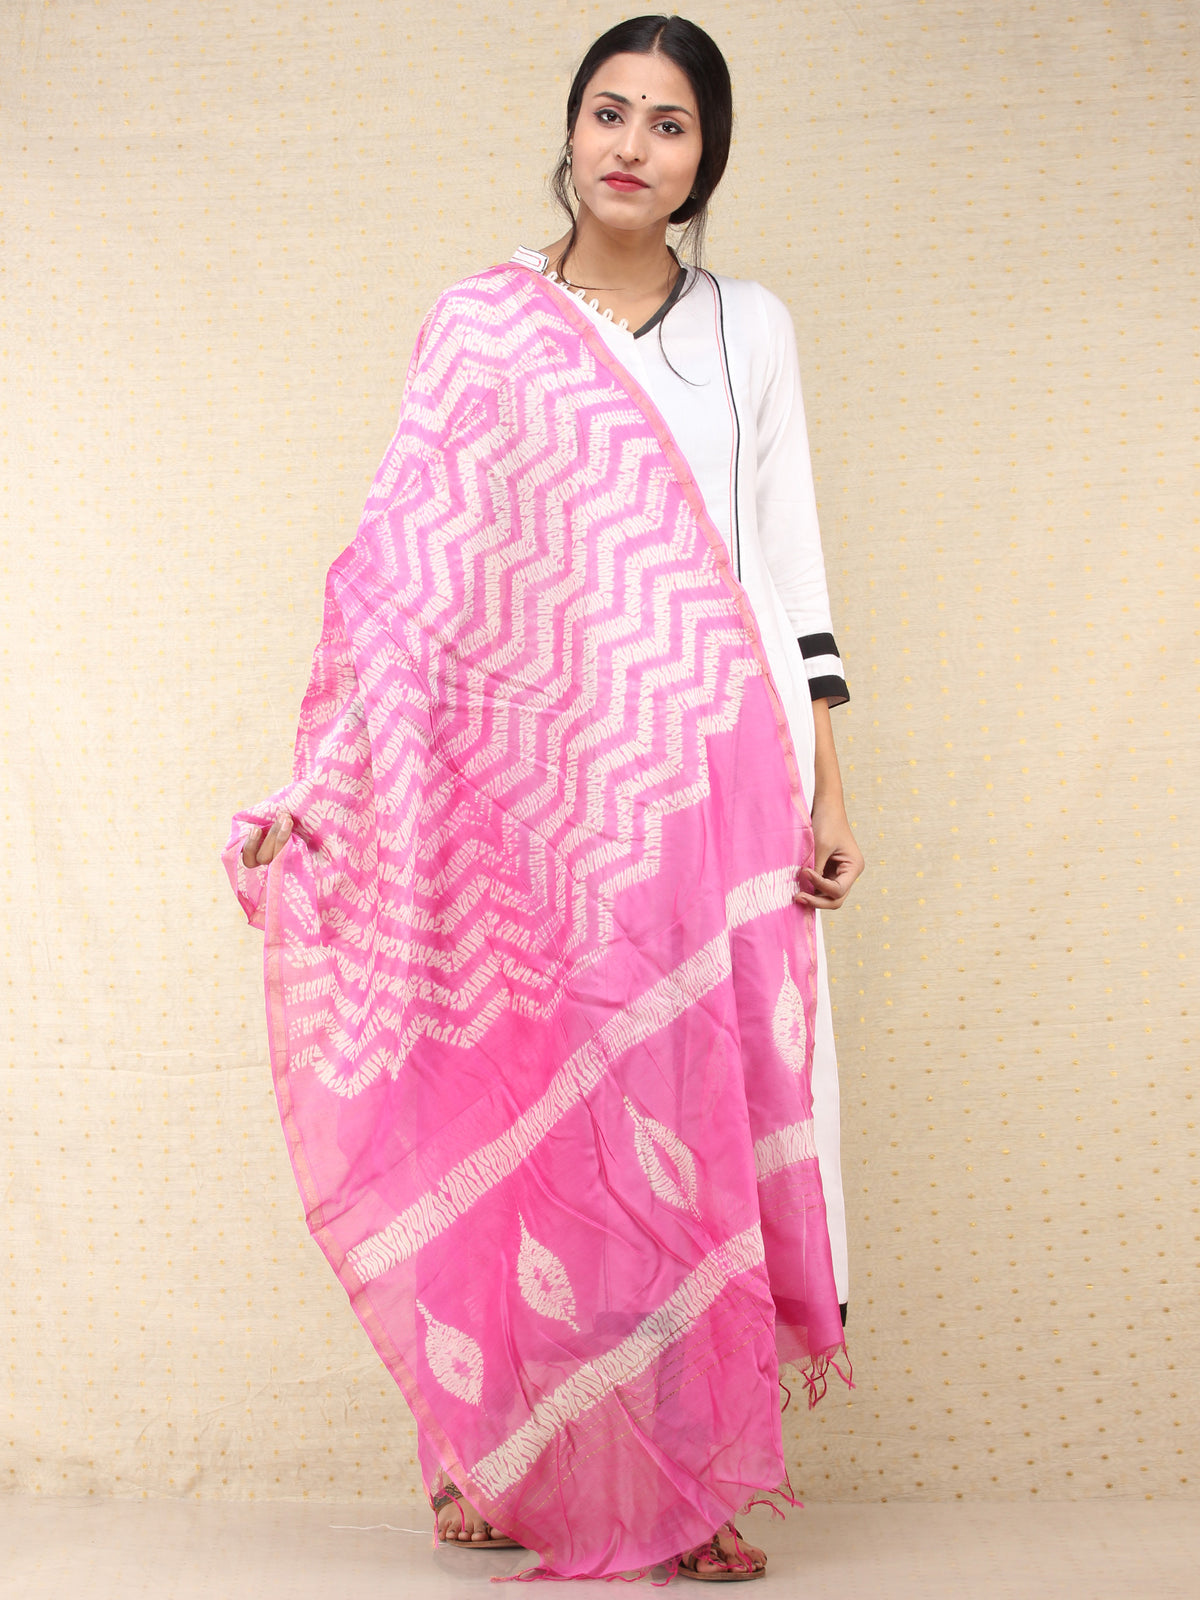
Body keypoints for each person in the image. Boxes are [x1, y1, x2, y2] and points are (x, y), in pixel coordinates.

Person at [226, 14, 863, 1584]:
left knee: (690, 1114)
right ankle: (486, 1450)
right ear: (570, 131)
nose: (633, 146)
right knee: (520, 1104)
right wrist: (333, 774)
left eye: (670, 123)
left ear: (707, 157)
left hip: (710, 781)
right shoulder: (483, 326)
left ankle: (695, 1477)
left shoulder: (748, 330)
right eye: (610, 112)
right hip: (526, 795)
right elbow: (409, 577)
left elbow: (787, 560)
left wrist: (831, 782)